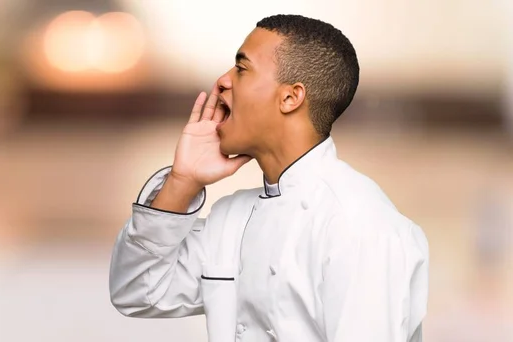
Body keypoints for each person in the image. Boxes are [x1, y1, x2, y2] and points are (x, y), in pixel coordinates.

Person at [109, 14, 429, 342]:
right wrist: (182, 181)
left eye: (242, 68)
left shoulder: (361, 227)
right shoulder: (231, 219)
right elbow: (137, 292)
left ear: (291, 98)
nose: (222, 81)